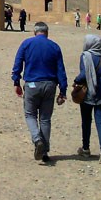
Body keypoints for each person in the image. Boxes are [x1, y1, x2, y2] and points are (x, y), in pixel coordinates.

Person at [11, 22, 68, 163]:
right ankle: (44, 152)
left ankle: (37, 140)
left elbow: (18, 63)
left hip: (32, 84)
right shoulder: (54, 46)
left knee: (30, 115)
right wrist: (63, 90)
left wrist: (16, 81)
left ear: (34, 32)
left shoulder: (27, 44)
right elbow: (61, 70)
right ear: (47, 33)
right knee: (45, 119)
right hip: (50, 85)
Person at [74, 34, 101, 165]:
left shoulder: (85, 56)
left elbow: (84, 74)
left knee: (86, 122)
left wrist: (76, 81)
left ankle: (86, 149)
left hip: (88, 95)